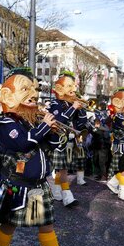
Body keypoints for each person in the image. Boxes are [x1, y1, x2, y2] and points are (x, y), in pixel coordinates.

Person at [0, 67, 85, 246]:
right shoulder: (5, 122)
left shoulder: (30, 121)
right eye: (26, 89)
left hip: (38, 183)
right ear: (8, 95)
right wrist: (43, 127)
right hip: (17, 184)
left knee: (46, 225)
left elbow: (49, 145)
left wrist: (53, 131)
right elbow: (22, 143)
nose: (34, 94)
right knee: (9, 223)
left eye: (34, 89)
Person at [47, 71, 85, 206]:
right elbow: (58, 120)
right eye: (70, 86)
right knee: (62, 169)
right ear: (60, 89)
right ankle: (67, 196)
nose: (74, 89)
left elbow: (81, 124)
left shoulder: (70, 104)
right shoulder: (54, 104)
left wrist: (80, 109)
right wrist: (73, 107)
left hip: (68, 140)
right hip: (57, 141)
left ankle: (57, 193)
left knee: (62, 169)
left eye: (74, 86)